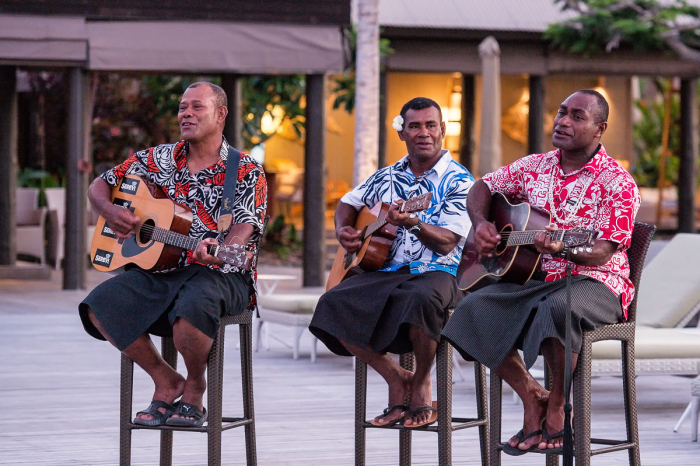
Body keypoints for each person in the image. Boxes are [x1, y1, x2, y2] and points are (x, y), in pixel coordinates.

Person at [442, 90, 640, 454]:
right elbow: (483, 186)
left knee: (557, 309)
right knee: (470, 311)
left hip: (596, 284)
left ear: (600, 129)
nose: (562, 121)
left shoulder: (618, 183)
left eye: (577, 116)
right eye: (561, 112)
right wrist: (482, 222)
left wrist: (562, 245)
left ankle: (558, 410)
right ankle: (533, 395)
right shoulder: (534, 166)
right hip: (533, 280)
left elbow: (603, 251)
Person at [79, 82, 267, 428]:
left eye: (197, 107)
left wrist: (228, 249)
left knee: (193, 304)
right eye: (183, 107)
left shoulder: (245, 170)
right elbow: (100, 184)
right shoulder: (159, 158)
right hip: (161, 271)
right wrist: (108, 210)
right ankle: (166, 379)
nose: (186, 113)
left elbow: (245, 224)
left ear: (220, 114)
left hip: (222, 274)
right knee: (100, 304)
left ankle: (195, 388)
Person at [309, 97, 475, 428]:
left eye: (431, 125)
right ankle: (397, 377)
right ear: (402, 133)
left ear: (443, 131)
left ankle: (422, 385)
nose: (423, 132)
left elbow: (448, 243)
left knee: (419, 298)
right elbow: (348, 202)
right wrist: (344, 229)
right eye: (414, 126)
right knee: (331, 304)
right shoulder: (386, 176)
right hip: (386, 272)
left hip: (439, 272)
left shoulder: (459, 181)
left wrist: (414, 223)